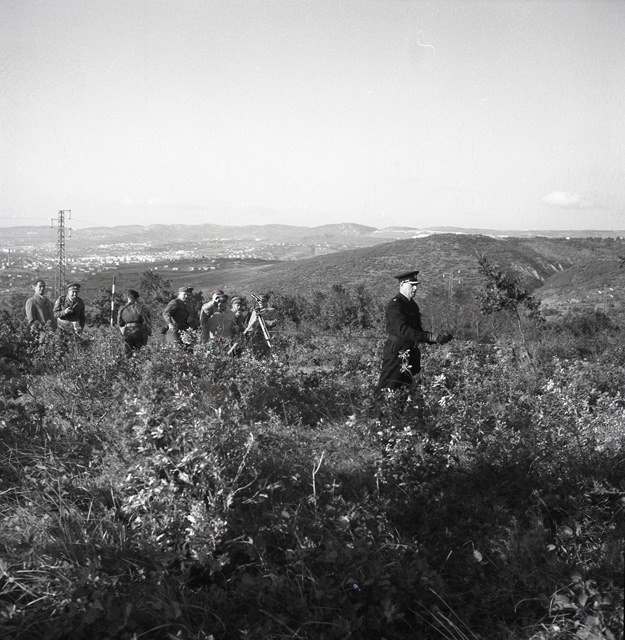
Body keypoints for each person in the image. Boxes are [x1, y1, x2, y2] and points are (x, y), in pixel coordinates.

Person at [377, 269, 452, 393]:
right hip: (397, 353)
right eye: (412, 285)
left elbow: (417, 331)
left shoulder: (413, 305)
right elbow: (403, 331)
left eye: (416, 285)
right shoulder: (395, 305)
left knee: (409, 393)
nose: (415, 288)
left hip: (412, 354)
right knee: (387, 390)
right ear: (402, 284)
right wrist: (430, 337)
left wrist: (438, 338)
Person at [118, 289, 151, 356]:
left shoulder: (122, 309)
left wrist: (124, 333)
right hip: (139, 331)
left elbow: (119, 324)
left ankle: (128, 361)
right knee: (140, 352)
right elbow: (148, 322)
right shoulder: (143, 309)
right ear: (137, 298)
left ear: (128, 297)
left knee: (128, 352)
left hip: (127, 331)